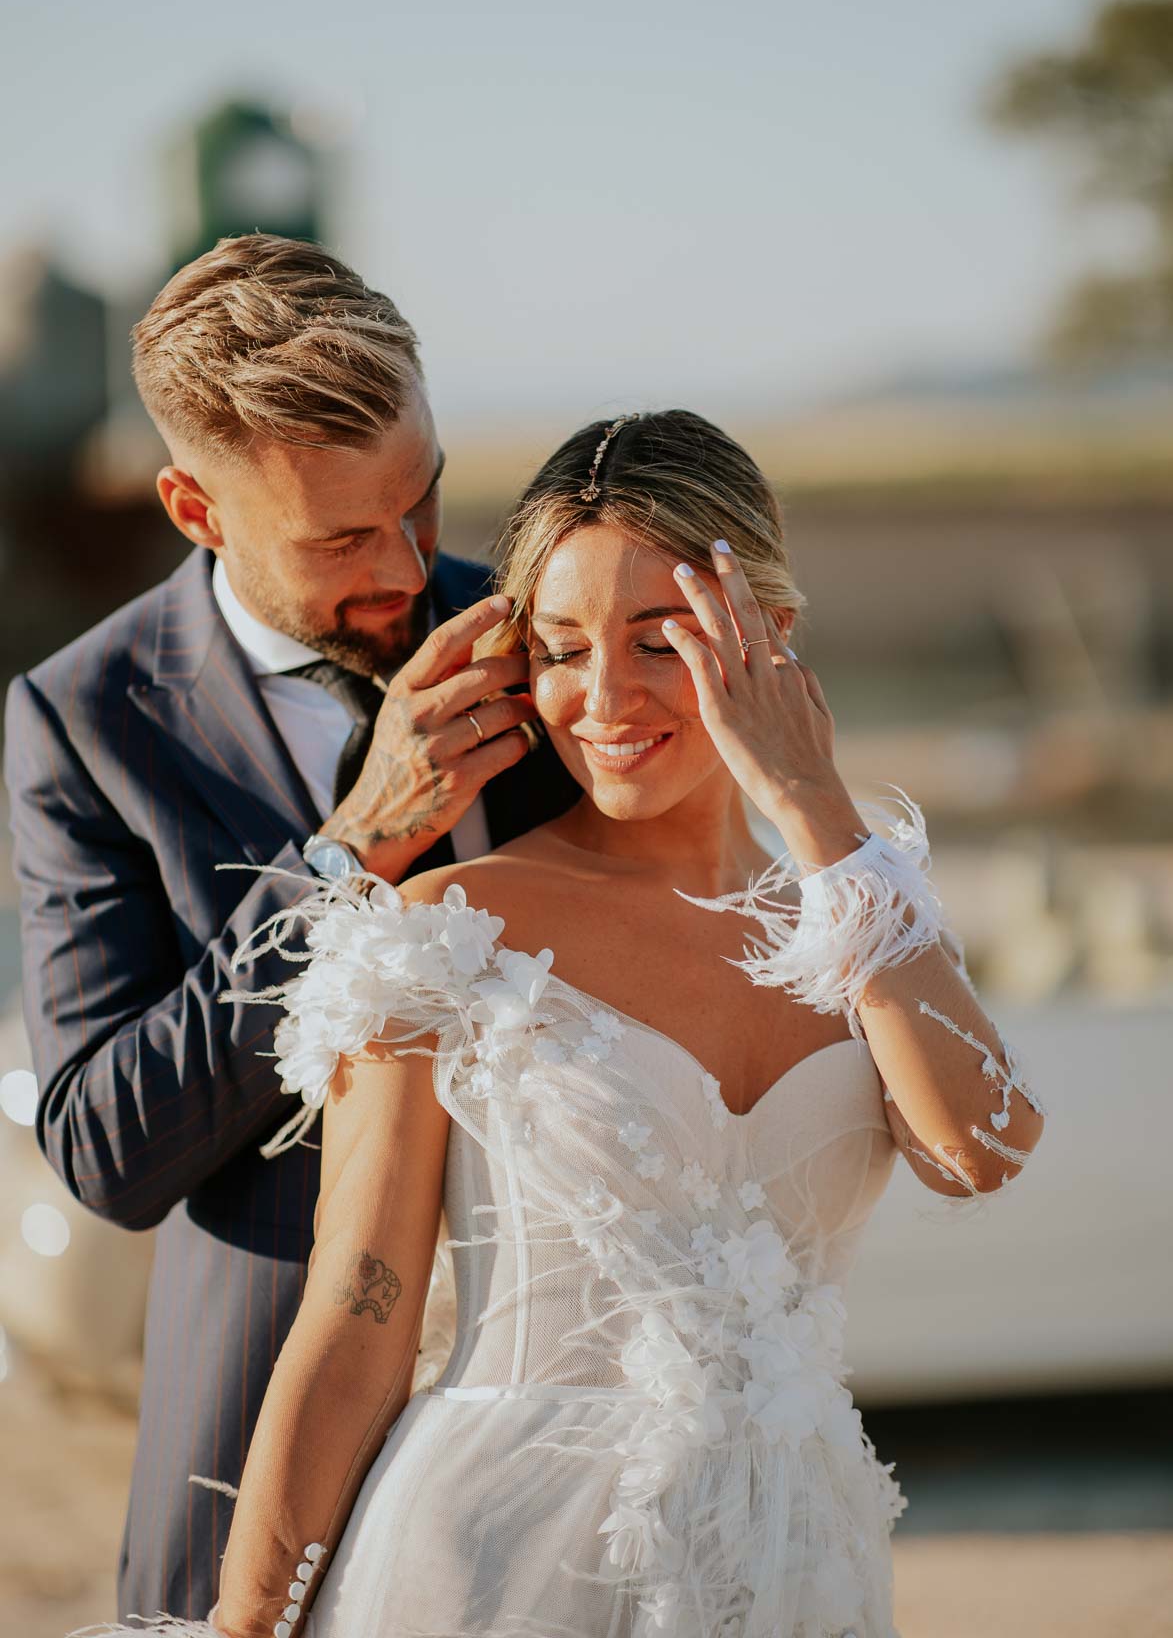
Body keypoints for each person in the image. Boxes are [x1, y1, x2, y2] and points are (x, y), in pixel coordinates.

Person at [74, 410, 1045, 1638]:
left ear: (767, 636)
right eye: (563, 646)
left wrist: (811, 804)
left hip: (796, 1568)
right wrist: (248, 1623)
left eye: (659, 640)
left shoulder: (861, 908)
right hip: (489, 1561)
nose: (603, 697)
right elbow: (361, 1309)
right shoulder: (450, 922)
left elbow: (982, 1147)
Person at [4, 233, 580, 1624]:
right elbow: (106, 1148)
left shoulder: (547, 642)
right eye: (337, 539)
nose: (407, 566)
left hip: (572, 1406)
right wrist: (346, 856)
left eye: (421, 499)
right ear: (194, 508)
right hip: (254, 1428)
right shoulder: (84, 725)